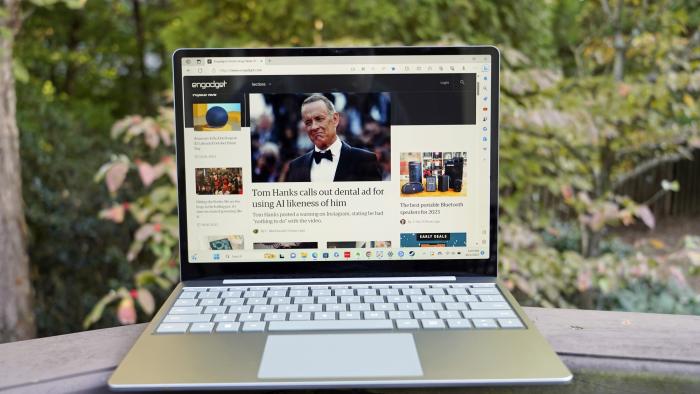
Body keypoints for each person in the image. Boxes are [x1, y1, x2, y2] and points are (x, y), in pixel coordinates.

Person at [285, 94, 381, 182]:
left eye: (319, 119)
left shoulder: (365, 160)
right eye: (308, 122)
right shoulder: (296, 166)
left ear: (335, 119)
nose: (314, 127)